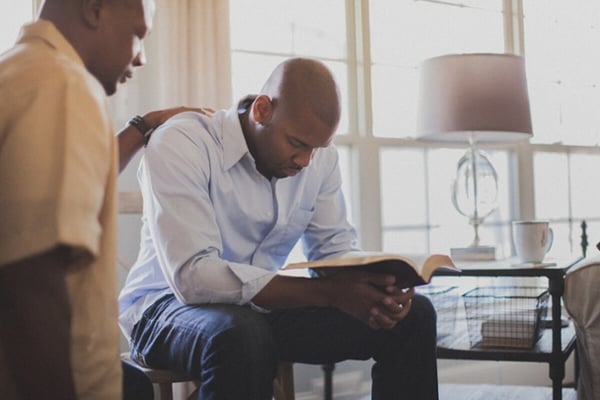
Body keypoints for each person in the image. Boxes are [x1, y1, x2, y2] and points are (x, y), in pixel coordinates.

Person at [119, 57, 439, 399]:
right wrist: (330, 294)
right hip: (165, 309)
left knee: (414, 316)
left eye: (317, 148)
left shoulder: (318, 159)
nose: (305, 162)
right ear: (262, 110)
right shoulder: (183, 141)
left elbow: (333, 249)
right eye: (297, 144)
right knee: (240, 335)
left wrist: (375, 286)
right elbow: (194, 278)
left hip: (260, 312)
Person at [0, 0, 211, 398]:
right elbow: (33, 282)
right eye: (138, 34)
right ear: (95, 10)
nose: (141, 57)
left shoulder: (19, 72)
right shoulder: (62, 86)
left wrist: (145, 124)